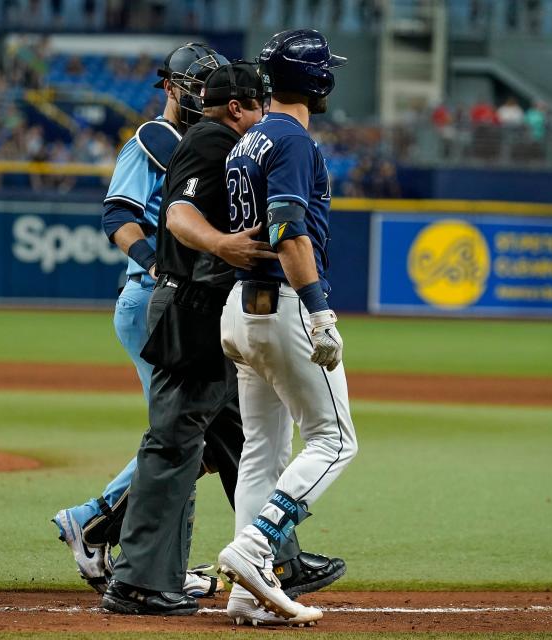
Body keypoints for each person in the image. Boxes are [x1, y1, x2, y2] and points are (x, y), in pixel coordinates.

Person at [53, 46, 345, 604]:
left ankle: (272, 558)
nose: (262, 113)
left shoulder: (228, 142)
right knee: (178, 440)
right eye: (254, 105)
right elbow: (149, 215)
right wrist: (199, 251)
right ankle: (129, 561)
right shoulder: (180, 141)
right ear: (235, 107)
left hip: (206, 305)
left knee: (229, 438)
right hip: (175, 301)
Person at [216, 29, 359, 623]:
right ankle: (255, 548)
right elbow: (287, 229)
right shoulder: (294, 141)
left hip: (241, 309)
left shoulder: (248, 139)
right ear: (319, 81)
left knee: (262, 453)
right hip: (283, 305)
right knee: (335, 441)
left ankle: (248, 598)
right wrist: (319, 308)